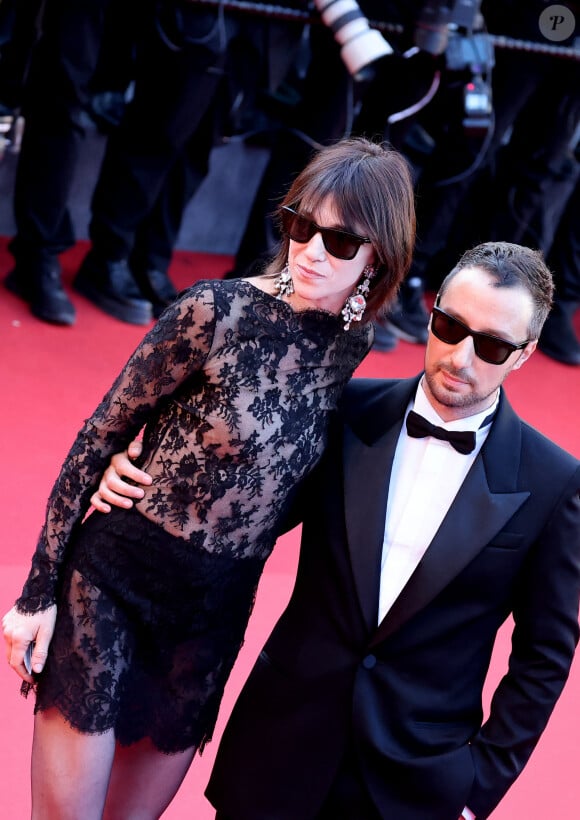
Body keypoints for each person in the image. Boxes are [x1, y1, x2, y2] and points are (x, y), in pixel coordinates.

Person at [1, 137, 416, 819]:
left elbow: (279, 478)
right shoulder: (214, 311)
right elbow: (99, 433)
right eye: (300, 225)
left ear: (380, 257)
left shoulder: (351, 345)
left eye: (341, 242)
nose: (311, 250)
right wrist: (34, 596)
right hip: (117, 581)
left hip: (212, 616)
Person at [93, 240, 580, 819]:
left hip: (414, 782)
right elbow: (246, 507)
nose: (462, 358)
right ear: (431, 312)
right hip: (278, 747)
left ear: (523, 356)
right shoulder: (344, 410)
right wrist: (140, 470)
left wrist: (478, 790)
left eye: (494, 345)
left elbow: (544, 654)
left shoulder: (552, 482)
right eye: (450, 326)